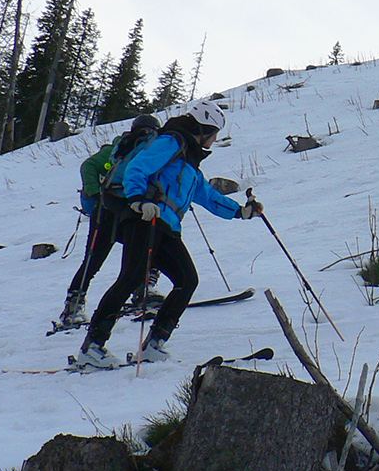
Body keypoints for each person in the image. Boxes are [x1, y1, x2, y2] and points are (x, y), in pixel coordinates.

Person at [73, 99, 262, 369]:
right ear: (204, 129)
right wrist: (138, 200)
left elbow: (208, 196)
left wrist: (241, 212)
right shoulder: (172, 141)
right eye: (214, 134)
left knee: (187, 280)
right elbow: (138, 167)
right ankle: (92, 347)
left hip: (168, 227)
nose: (214, 140)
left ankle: (155, 343)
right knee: (131, 278)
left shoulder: (190, 162)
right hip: (144, 219)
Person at [55, 114, 160, 330]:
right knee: (101, 258)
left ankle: (74, 306)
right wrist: (96, 194)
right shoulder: (122, 148)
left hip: (115, 210)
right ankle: (141, 292)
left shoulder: (127, 147)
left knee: (106, 257)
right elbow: (89, 166)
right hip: (110, 210)